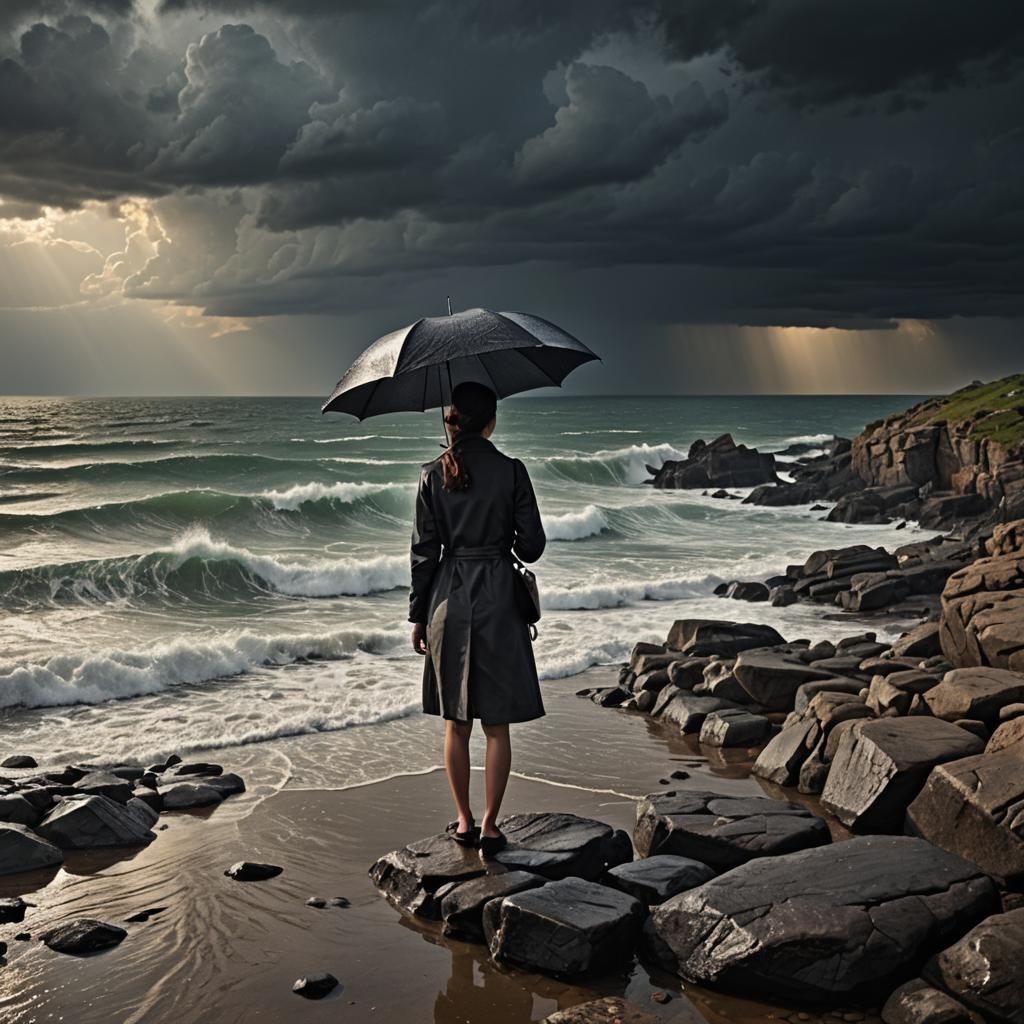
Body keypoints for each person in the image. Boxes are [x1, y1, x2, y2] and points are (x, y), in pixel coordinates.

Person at [409, 381, 546, 857]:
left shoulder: (431, 475)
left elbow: (424, 554)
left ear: (452, 421)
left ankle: (463, 821)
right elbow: (532, 546)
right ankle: (490, 825)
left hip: (447, 600)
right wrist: (501, 532)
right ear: (491, 422)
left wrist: (417, 616)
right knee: (497, 724)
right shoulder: (511, 471)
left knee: (456, 723)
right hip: (498, 599)